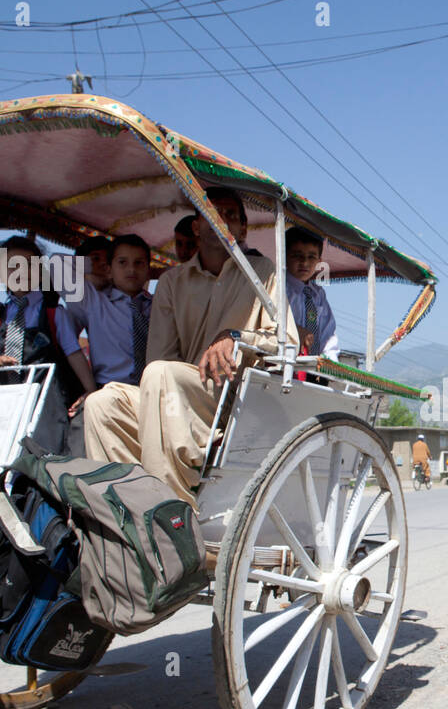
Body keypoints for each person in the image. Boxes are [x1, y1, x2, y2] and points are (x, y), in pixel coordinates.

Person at [82, 187, 294, 507]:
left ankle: (170, 510)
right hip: (178, 389)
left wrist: (235, 336)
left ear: (242, 229)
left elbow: (286, 342)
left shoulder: (263, 273)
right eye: (212, 213)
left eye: (231, 215)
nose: (222, 220)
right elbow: (160, 357)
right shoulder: (171, 282)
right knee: (102, 402)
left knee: (161, 376)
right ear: (197, 226)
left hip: (234, 394)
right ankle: (120, 507)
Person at [0, 235, 96, 451]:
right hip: (7, 398)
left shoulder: (54, 313)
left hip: (47, 400)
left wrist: (91, 391)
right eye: (13, 267)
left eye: (29, 265)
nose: (21, 272)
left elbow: (73, 352)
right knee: (7, 450)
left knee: (48, 450)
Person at [57, 233, 155, 455]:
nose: (131, 270)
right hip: (107, 390)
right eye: (122, 262)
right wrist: (96, 274)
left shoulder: (159, 305)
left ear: (149, 269)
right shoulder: (93, 300)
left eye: (139, 263)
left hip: (152, 393)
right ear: (110, 268)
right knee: (86, 451)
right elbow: (57, 264)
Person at [284, 226, 339, 361]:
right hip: (285, 362)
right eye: (297, 256)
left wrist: (330, 363)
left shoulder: (318, 295)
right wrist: (293, 331)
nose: (305, 262)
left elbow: (328, 334)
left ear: (319, 261)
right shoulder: (278, 286)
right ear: (284, 255)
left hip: (313, 368)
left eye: (311, 257)